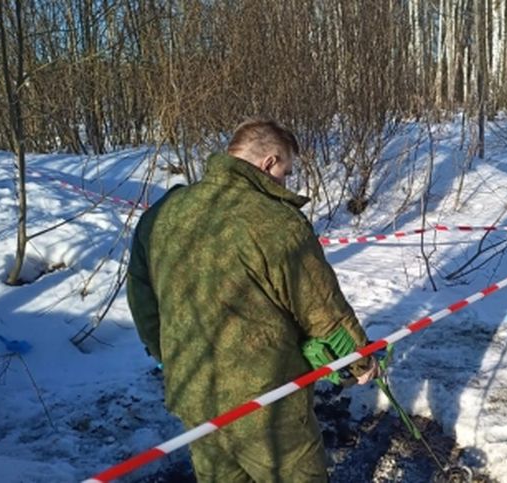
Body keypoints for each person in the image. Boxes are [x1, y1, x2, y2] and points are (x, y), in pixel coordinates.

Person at [127, 118, 378, 483]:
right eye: (286, 172)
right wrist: (358, 361)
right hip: (267, 407)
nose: (285, 181)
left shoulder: (162, 214)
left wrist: (171, 358)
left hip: (195, 395)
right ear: (268, 162)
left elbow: (143, 301)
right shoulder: (276, 221)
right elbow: (322, 310)